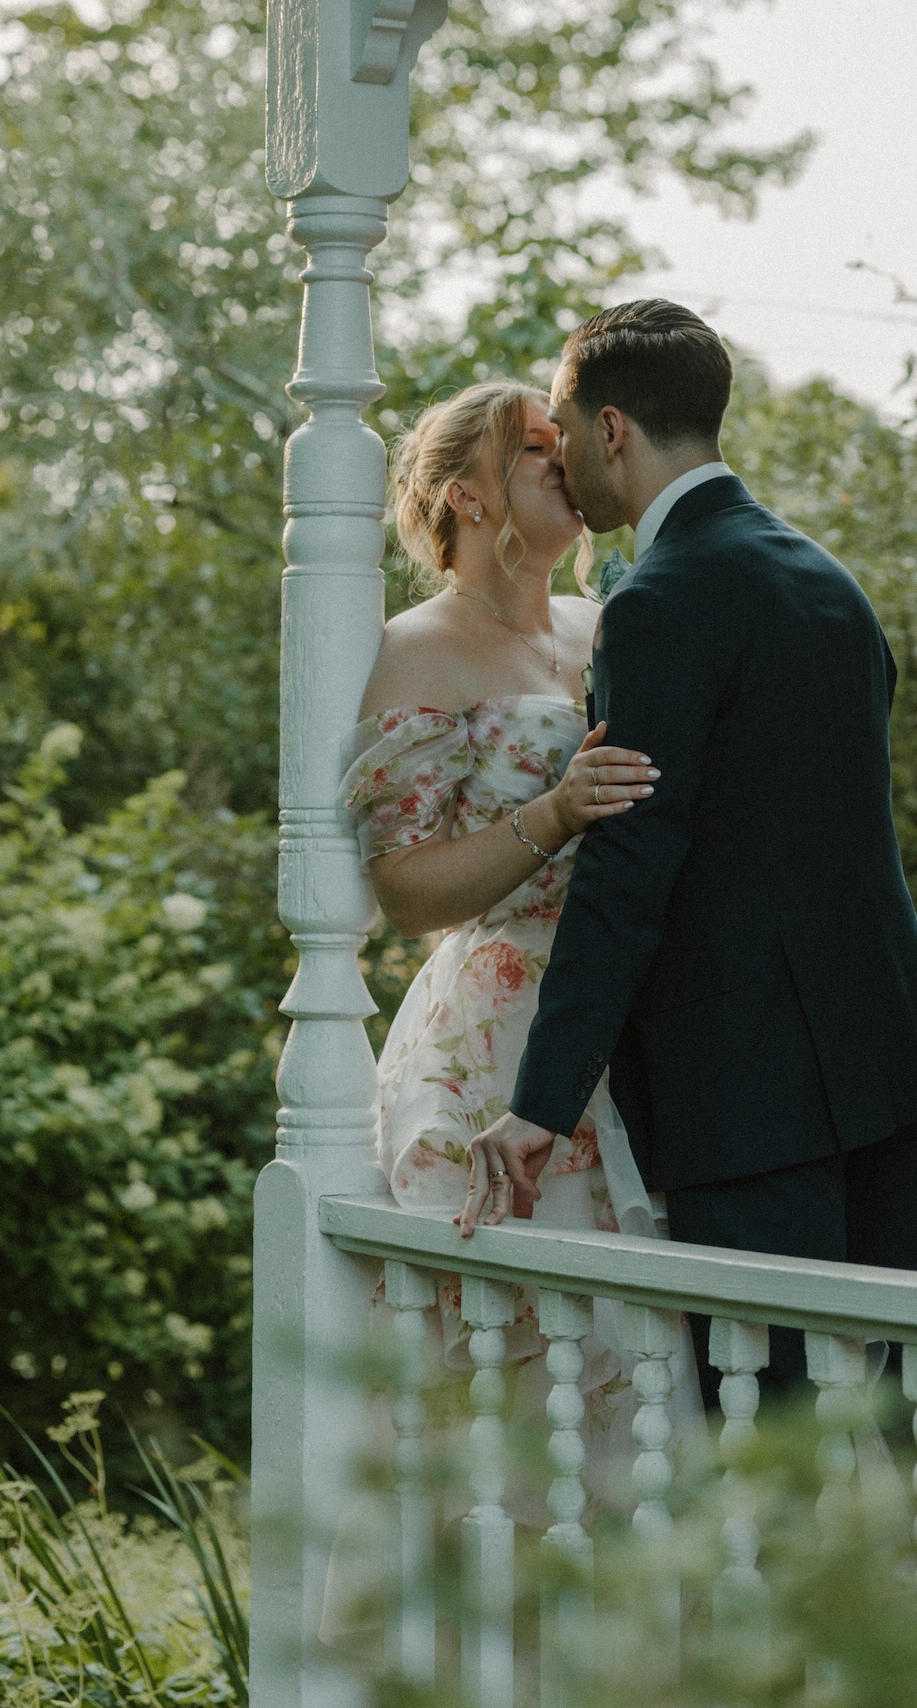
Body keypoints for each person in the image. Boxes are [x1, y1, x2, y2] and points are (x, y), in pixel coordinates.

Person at [457, 302, 917, 1408]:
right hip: (880, 1052)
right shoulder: (824, 578)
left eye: (560, 424)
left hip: (746, 1083)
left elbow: (630, 871)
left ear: (612, 430)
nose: (557, 452)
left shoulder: (656, 603)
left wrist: (541, 1103)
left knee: (773, 1416)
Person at [339, 378, 692, 1433]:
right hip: (498, 1030)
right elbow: (402, 888)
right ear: (467, 498)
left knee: (655, 1355)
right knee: (541, 1363)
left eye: (562, 440)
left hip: (626, 1014)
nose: (563, 460)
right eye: (532, 449)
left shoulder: (605, 623)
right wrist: (553, 812)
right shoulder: (416, 648)